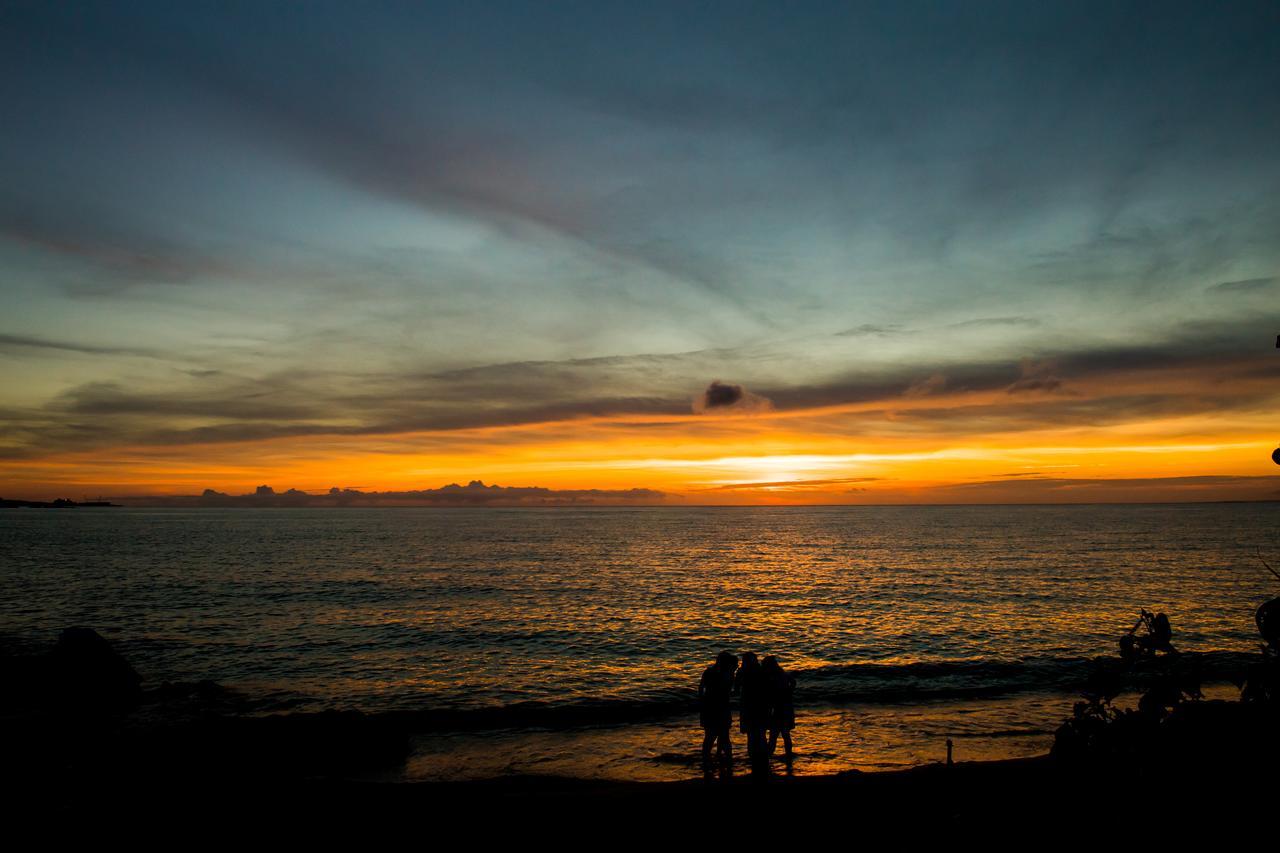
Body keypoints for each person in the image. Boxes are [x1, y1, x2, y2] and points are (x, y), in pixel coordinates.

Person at [699, 651, 737, 762]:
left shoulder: (709, 672)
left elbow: (701, 688)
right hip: (722, 706)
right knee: (724, 736)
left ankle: (707, 759)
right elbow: (728, 690)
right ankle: (725, 758)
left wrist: (701, 701)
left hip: (709, 706)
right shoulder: (729, 674)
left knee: (710, 736)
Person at [735, 651, 769, 766]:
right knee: (761, 733)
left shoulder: (742, 673)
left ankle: (753, 759)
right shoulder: (762, 671)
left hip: (747, 704)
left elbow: (736, 690)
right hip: (762, 704)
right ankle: (764, 759)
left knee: (751, 734)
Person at [762, 655, 796, 760]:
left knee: (774, 735)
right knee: (785, 734)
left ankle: (768, 756)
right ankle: (788, 755)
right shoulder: (783, 674)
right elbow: (793, 682)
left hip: (777, 709)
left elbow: (770, 695)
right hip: (786, 707)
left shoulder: (771, 677)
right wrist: (789, 692)